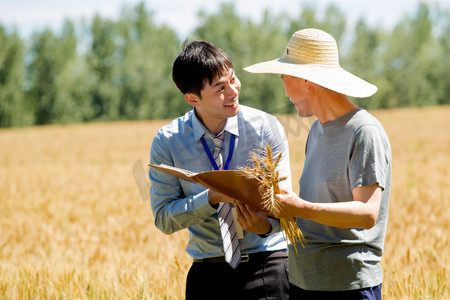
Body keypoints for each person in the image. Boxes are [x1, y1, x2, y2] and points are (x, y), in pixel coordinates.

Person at [244, 28, 392, 299]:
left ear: (305, 79)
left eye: (284, 78)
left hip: (348, 286)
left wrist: (300, 206)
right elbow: (315, 214)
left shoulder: (364, 131)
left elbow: (367, 213)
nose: (285, 91)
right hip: (303, 283)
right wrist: (265, 222)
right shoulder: (316, 130)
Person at [149, 40, 292, 299]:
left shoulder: (264, 128)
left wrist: (265, 227)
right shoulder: (167, 142)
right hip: (207, 276)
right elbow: (164, 219)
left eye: (233, 79)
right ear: (193, 98)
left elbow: (287, 202)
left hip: (268, 265)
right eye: (220, 88)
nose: (233, 91)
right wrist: (211, 198)